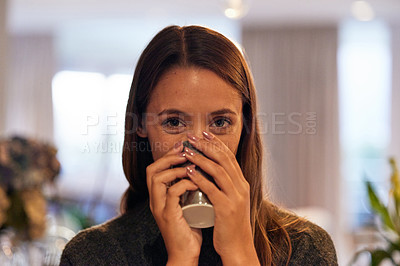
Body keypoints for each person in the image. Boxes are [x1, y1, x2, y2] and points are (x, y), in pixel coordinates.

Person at [60, 25, 337, 266]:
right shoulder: (93, 254)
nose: (197, 148)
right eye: (174, 122)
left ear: (245, 126)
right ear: (140, 124)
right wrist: (181, 260)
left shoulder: (304, 248)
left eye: (220, 123)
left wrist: (239, 253)